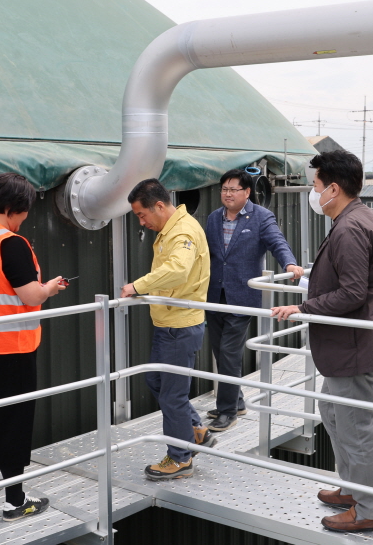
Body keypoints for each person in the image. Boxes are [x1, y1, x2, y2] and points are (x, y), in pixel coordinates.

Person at [272, 149, 373, 533]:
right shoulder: (359, 218)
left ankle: (368, 511)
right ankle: (353, 489)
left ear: (332, 188)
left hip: (354, 344)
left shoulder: (349, 228)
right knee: (332, 413)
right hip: (352, 342)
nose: (313, 194)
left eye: (315, 186)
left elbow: (352, 293)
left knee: (355, 427)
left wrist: (304, 307)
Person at [0, 172, 68, 521]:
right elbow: (30, 294)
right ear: (11, 208)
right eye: (23, 211)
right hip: (9, 349)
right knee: (13, 423)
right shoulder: (10, 242)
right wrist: (50, 287)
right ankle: (15, 501)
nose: (24, 218)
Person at [119, 178, 216, 480]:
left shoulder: (183, 231)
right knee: (157, 382)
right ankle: (195, 431)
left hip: (179, 326)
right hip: (168, 323)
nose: (141, 221)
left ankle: (180, 458)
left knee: (172, 394)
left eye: (141, 214)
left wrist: (138, 286)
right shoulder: (170, 228)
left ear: (159, 206)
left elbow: (177, 270)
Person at [205, 168, 303, 432]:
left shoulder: (261, 217)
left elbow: (277, 242)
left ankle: (227, 412)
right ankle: (235, 402)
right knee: (219, 351)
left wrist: (290, 263)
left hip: (242, 297)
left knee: (229, 353)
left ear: (247, 192)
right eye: (224, 189)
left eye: (233, 189)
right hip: (214, 296)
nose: (227, 194)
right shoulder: (214, 218)